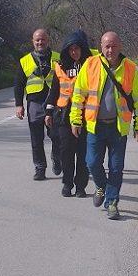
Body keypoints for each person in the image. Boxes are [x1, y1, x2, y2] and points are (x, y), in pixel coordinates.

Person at [70, 31, 138, 220]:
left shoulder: (130, 68)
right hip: (95, 126)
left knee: (116, 168)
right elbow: (78, 94)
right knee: (91, 162)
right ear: (101, 47)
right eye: (107, 46)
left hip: (118, 128)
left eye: (113, 46)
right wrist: (75, 119)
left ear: (120, 46)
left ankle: (112, 202)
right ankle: (101, 186)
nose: (110, 50)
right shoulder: (91, 64)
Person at [45, 30, 92, 198]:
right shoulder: (60, 66)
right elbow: (54, 91)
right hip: (64, 115)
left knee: (83, 153)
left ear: (82, 49)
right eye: (71, 49)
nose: (74, 52)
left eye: (77, 48)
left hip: (85, 114)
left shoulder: (90, 65)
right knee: (66, 151)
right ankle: (67, 183)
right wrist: (48, 112)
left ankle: (80, 186)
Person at [14, 28, 61, 180]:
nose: (40, 42)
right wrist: (19, 105)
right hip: (34, 103)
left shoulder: (58, 58)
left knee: (57, 135)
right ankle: (40, 168)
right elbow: (19, 85)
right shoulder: (24, 61)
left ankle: (57, 158)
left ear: (48, 40)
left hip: (55, 103)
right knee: (36, 138)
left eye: (43, 39)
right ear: (33, 42)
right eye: (37, 40)